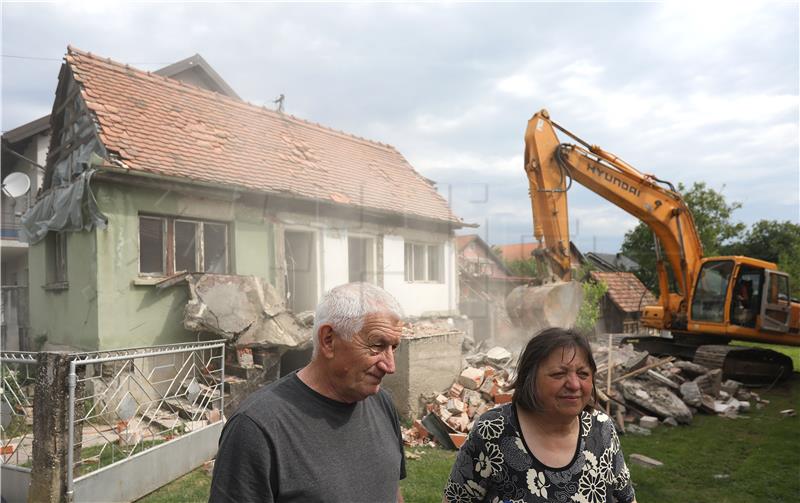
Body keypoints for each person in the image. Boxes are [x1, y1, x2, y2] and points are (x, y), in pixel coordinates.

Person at [209, 282, 406, 503]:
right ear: (328, 340)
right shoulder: (256, 427)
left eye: (394, 347)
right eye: (377, 345)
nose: (390, 366)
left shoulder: (382, 403)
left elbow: (390, 489)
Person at [444, 327, 637, 503]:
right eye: (559, 374)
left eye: (583, 374)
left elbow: (626, 498)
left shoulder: (602, 429)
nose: (574, 384)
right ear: (530, 378)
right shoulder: (494, 430)